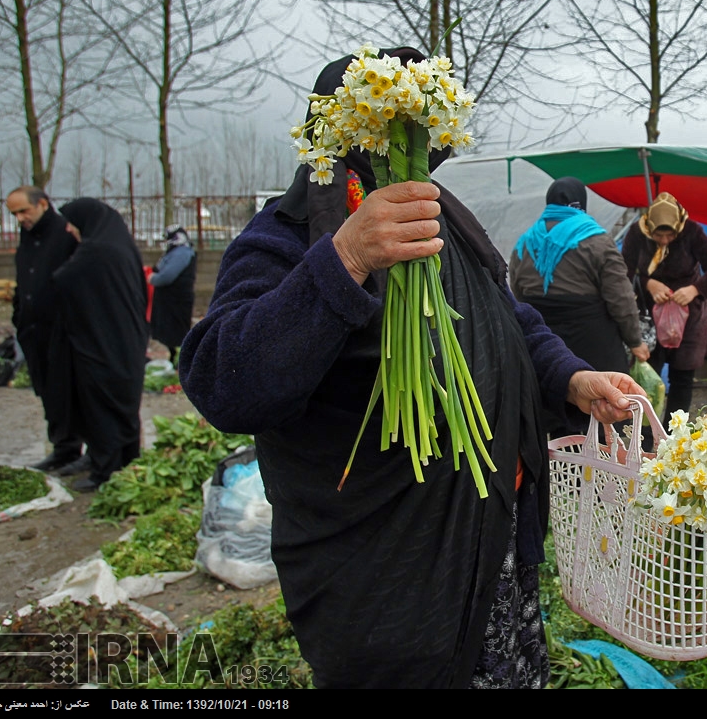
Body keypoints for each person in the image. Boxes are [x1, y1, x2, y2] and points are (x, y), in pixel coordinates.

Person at [178, 49, 645, 689]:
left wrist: (572, 377)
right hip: (389, 573)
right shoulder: (287, 235)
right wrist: (344, 257)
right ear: (341, 131)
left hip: (491, 542)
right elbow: (221, 381)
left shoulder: (442, 219)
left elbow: (510, 321)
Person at [509, 177, 650, 435]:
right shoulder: (595, 240)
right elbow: (620, 297)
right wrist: (635, 341)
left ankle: (564, 470)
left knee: (555, 413)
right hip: (593, 344)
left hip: (544, 348)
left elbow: (516, 297)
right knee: (605, 416)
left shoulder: (525, 242)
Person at [54, 198, 149, 492]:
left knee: (102, 407)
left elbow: (61, 279)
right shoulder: (121, 247)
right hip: (127, 340)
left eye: (72, 223)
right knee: (124, 405)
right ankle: (126, 463)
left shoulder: (95, 251)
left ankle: (104, 471)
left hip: (103, 343)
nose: (69, 230)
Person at [621, 192, 707, 420]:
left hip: (688, 318)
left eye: (670, 236)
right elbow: (623, 273)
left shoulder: (692, 231)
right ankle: (646, 437)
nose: (665, 240)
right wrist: (648, 284)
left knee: (682, 378)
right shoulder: (637, 233)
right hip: (650, 319)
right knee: (648, 378)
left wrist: (695, 289)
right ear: (650, 228)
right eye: (659, 235)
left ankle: (672, 435)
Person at [6, 186, 86, 474]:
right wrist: (19, 313)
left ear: (42, 204)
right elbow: (24, 276)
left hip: (60, 328)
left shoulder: (65, 233)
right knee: (47, 390)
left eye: (23, 211)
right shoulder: (28, 236)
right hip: (32, 328)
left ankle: (73, 447)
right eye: (14, 213)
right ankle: (61, 446)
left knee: (65, 389)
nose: (19, 218)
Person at [148, 224, 197, 366]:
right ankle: (175, 358)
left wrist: (153, 279)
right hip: (168, 300)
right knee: (168, 332)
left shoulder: (182, 253)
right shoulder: (173, 252)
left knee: (177, 331)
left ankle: (183, 362)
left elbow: (167, 275)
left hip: (177, 299)